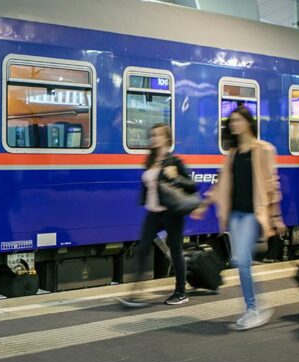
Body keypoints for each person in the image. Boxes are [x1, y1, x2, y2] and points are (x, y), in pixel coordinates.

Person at [192, 106, 285, 330]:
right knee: (240, 261)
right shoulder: (232, 154)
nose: (233, 125)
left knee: (241, 260)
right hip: (235, 214)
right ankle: (255, 307)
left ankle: (253, 309)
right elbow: (220, 184)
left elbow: (273, 186)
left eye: (237, 121)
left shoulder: (264, 150)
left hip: (254, 213)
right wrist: (204, 205)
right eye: (231, 122)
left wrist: (277, 216)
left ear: (248, 122)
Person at [122, 124, 197, 307]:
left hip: (171, 213)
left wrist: (175, 178)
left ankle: (181, 292)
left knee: (176, 251)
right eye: (152, 135)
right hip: (153, 213)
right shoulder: (151, 160)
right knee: (142, 249)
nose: (153, 138)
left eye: (157, 135)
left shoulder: (174, 161)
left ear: (166, 138)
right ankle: (135, 295)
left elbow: (192, 186)